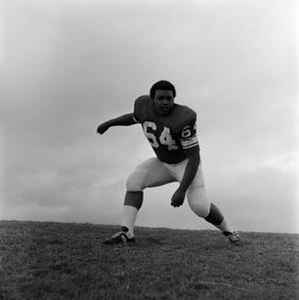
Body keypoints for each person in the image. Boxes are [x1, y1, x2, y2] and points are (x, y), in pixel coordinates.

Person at [97, 80, 241, 245]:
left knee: (200, 207)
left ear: (174, 99)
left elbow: (194, 158)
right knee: (133, 182)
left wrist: (181, 190)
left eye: (169, 98)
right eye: (160, 98)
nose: (165, 102)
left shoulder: (184, 117)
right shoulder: (143, 107)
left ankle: (229, 231)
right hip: (163, 163)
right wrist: (109, 123)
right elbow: (134, 118)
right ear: (152, 100)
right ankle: (126, 233)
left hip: (186, 164)